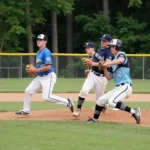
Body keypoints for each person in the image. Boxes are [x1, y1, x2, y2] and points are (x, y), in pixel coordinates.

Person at [16, 34, 74, 115]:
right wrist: (34, 71)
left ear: (45, 41)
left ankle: (67, 102)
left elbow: (48, 67)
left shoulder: (46, 52)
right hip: (40, 77)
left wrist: (35, 70)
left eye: (41, 40)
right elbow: (40, 66)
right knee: (28, 91)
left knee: (46, 97)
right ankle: (26, 110)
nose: (38, 41)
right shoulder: (38, 52)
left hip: (48, 77)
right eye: (38, 40)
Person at [87, 39, 141, 124]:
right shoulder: (113, 62)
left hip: (125, 87)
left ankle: (134, 111)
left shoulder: (121, 54)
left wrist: (109, 63)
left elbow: (120, 61)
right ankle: (95, 119)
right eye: (110, 46)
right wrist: (104, 68)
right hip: (118, 88)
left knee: (112, 102)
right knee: (100, 100)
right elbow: (108, 77)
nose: (110, 48)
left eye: (112, 46)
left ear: (118, 47)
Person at [72, 34, 113, 117]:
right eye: (102, 40)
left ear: (109, 42)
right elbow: (97, 60)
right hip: (92, 75)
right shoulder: (100, 49)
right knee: (84, 90)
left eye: (104, 41)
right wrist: (91, 67)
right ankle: (78, 109)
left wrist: (92, 63)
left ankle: (104, 106)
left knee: (99, 100)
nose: (102, 42)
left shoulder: (109, 52)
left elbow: (107, 65)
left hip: (102, 78)